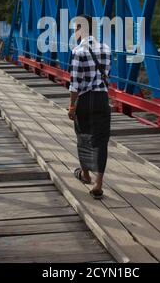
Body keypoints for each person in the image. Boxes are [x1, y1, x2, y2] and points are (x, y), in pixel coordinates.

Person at [68, 15, 111, 199]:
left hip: (85, 99)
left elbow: (75, 83)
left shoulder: (78, 51)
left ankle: (85, 175)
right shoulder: (106, 48)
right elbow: (107, 74)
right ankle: (98, 183)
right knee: (101, 140)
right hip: (102, 98)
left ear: (81, 29)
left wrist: (71, 105)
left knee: (83, 136)